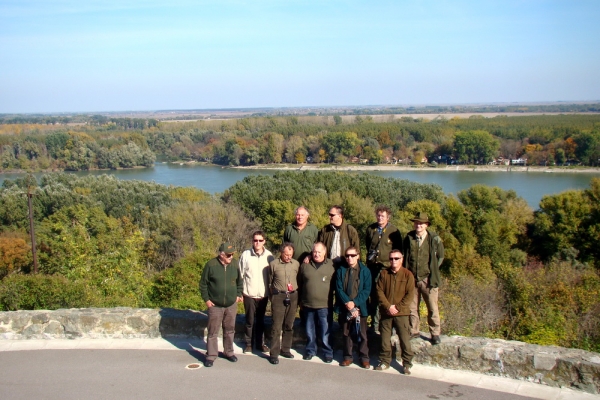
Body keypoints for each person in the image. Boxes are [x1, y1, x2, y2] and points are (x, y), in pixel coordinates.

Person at [402, 212, 445, 345]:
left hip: (429, 279)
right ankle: (414, 331)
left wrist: (433, 270)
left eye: (421, 223)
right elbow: (405, 256)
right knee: (412, 307)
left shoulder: (434, 239)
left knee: (432, 307)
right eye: (416, 222)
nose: (418, 225)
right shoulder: (409, 237)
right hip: (412, 278)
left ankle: (435, 333)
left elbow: (441, 257)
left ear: (426, 225)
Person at [199, 242, 243, 367]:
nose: (231, 257)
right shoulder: (211, 265)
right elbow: (203, 284)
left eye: (233, 254)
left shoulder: (234, 264)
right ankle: (211, 355)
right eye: (229, 255)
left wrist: (238, 294)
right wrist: (207, 300)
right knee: (213, 331)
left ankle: (229, 352)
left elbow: (240, 281)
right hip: (215, 305)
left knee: (229, 330)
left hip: (231, 304)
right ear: (221, 255)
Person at [375, 249, 415, 375]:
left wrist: (397, 307)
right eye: (391, 258)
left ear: (401, 259)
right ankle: (385, 361)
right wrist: (388, 306)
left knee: (404, 340)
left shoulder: (408, 275)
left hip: (402, 313)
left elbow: (409, 295)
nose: (393, 261)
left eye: (396, 258)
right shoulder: (384, 274)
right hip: (386, 312)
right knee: (385, 340)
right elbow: (379, 291)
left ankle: (407, 364)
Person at [365, 205, 403, 333]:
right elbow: (368, 244)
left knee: (386, 296)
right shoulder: (371, 229)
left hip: (386, 268)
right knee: (373, 295)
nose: (380, 218)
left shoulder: (394, 231)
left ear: (388, 217)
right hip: (372, 267)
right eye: (378, 215)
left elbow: (398, 250)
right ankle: (374, 324)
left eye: (383, 216)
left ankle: (387, 325)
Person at [335, 246, 372, 369]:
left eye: (352, 255)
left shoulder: (365, 271)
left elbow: (367, 290)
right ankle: (347, 357)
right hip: (345, 306)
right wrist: (348, 303)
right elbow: (339, 288)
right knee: (346, 333)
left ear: (358, 256)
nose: (349, 258)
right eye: (347, 256)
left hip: (360, 307)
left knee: (362, 333)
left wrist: (355, 303)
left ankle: (364, 358)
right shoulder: (341, 270)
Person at [298, 242, 335, 363]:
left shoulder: (331, 265)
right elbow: (300, 283)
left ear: (325, 252)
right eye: (314, 252)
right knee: (310, 330)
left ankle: (327, 352)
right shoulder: (305, 265)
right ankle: (310, 350)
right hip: (308, 304)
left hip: (325, 305)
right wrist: (300, 301)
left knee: (325, 331)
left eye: (319, 252)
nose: (317, 254)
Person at [239, 230, 274, 354]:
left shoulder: (269, 256)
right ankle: (248, 344)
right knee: (249, 320)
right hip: (249, 293)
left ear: (264, 241)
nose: (257, 243)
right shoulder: (246, 255)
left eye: (260, 240)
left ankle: (260, 344)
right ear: (252, 241)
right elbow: (240, 274)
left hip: (263, 294)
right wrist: (239, 293)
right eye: (255, 240)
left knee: (260, 320)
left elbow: (273, 275)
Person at [267, 242, 300, 365]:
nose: (288, 257)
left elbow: (299, 279)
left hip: (293, 295)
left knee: (289, 324)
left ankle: (285, 349)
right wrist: (272, 296)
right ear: (281, 253)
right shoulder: (273, 264)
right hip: (278, 295)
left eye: (290, 254)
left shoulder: (296, 264)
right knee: (276, 326)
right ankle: (274, 353)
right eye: (286, 254)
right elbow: (269, 281)